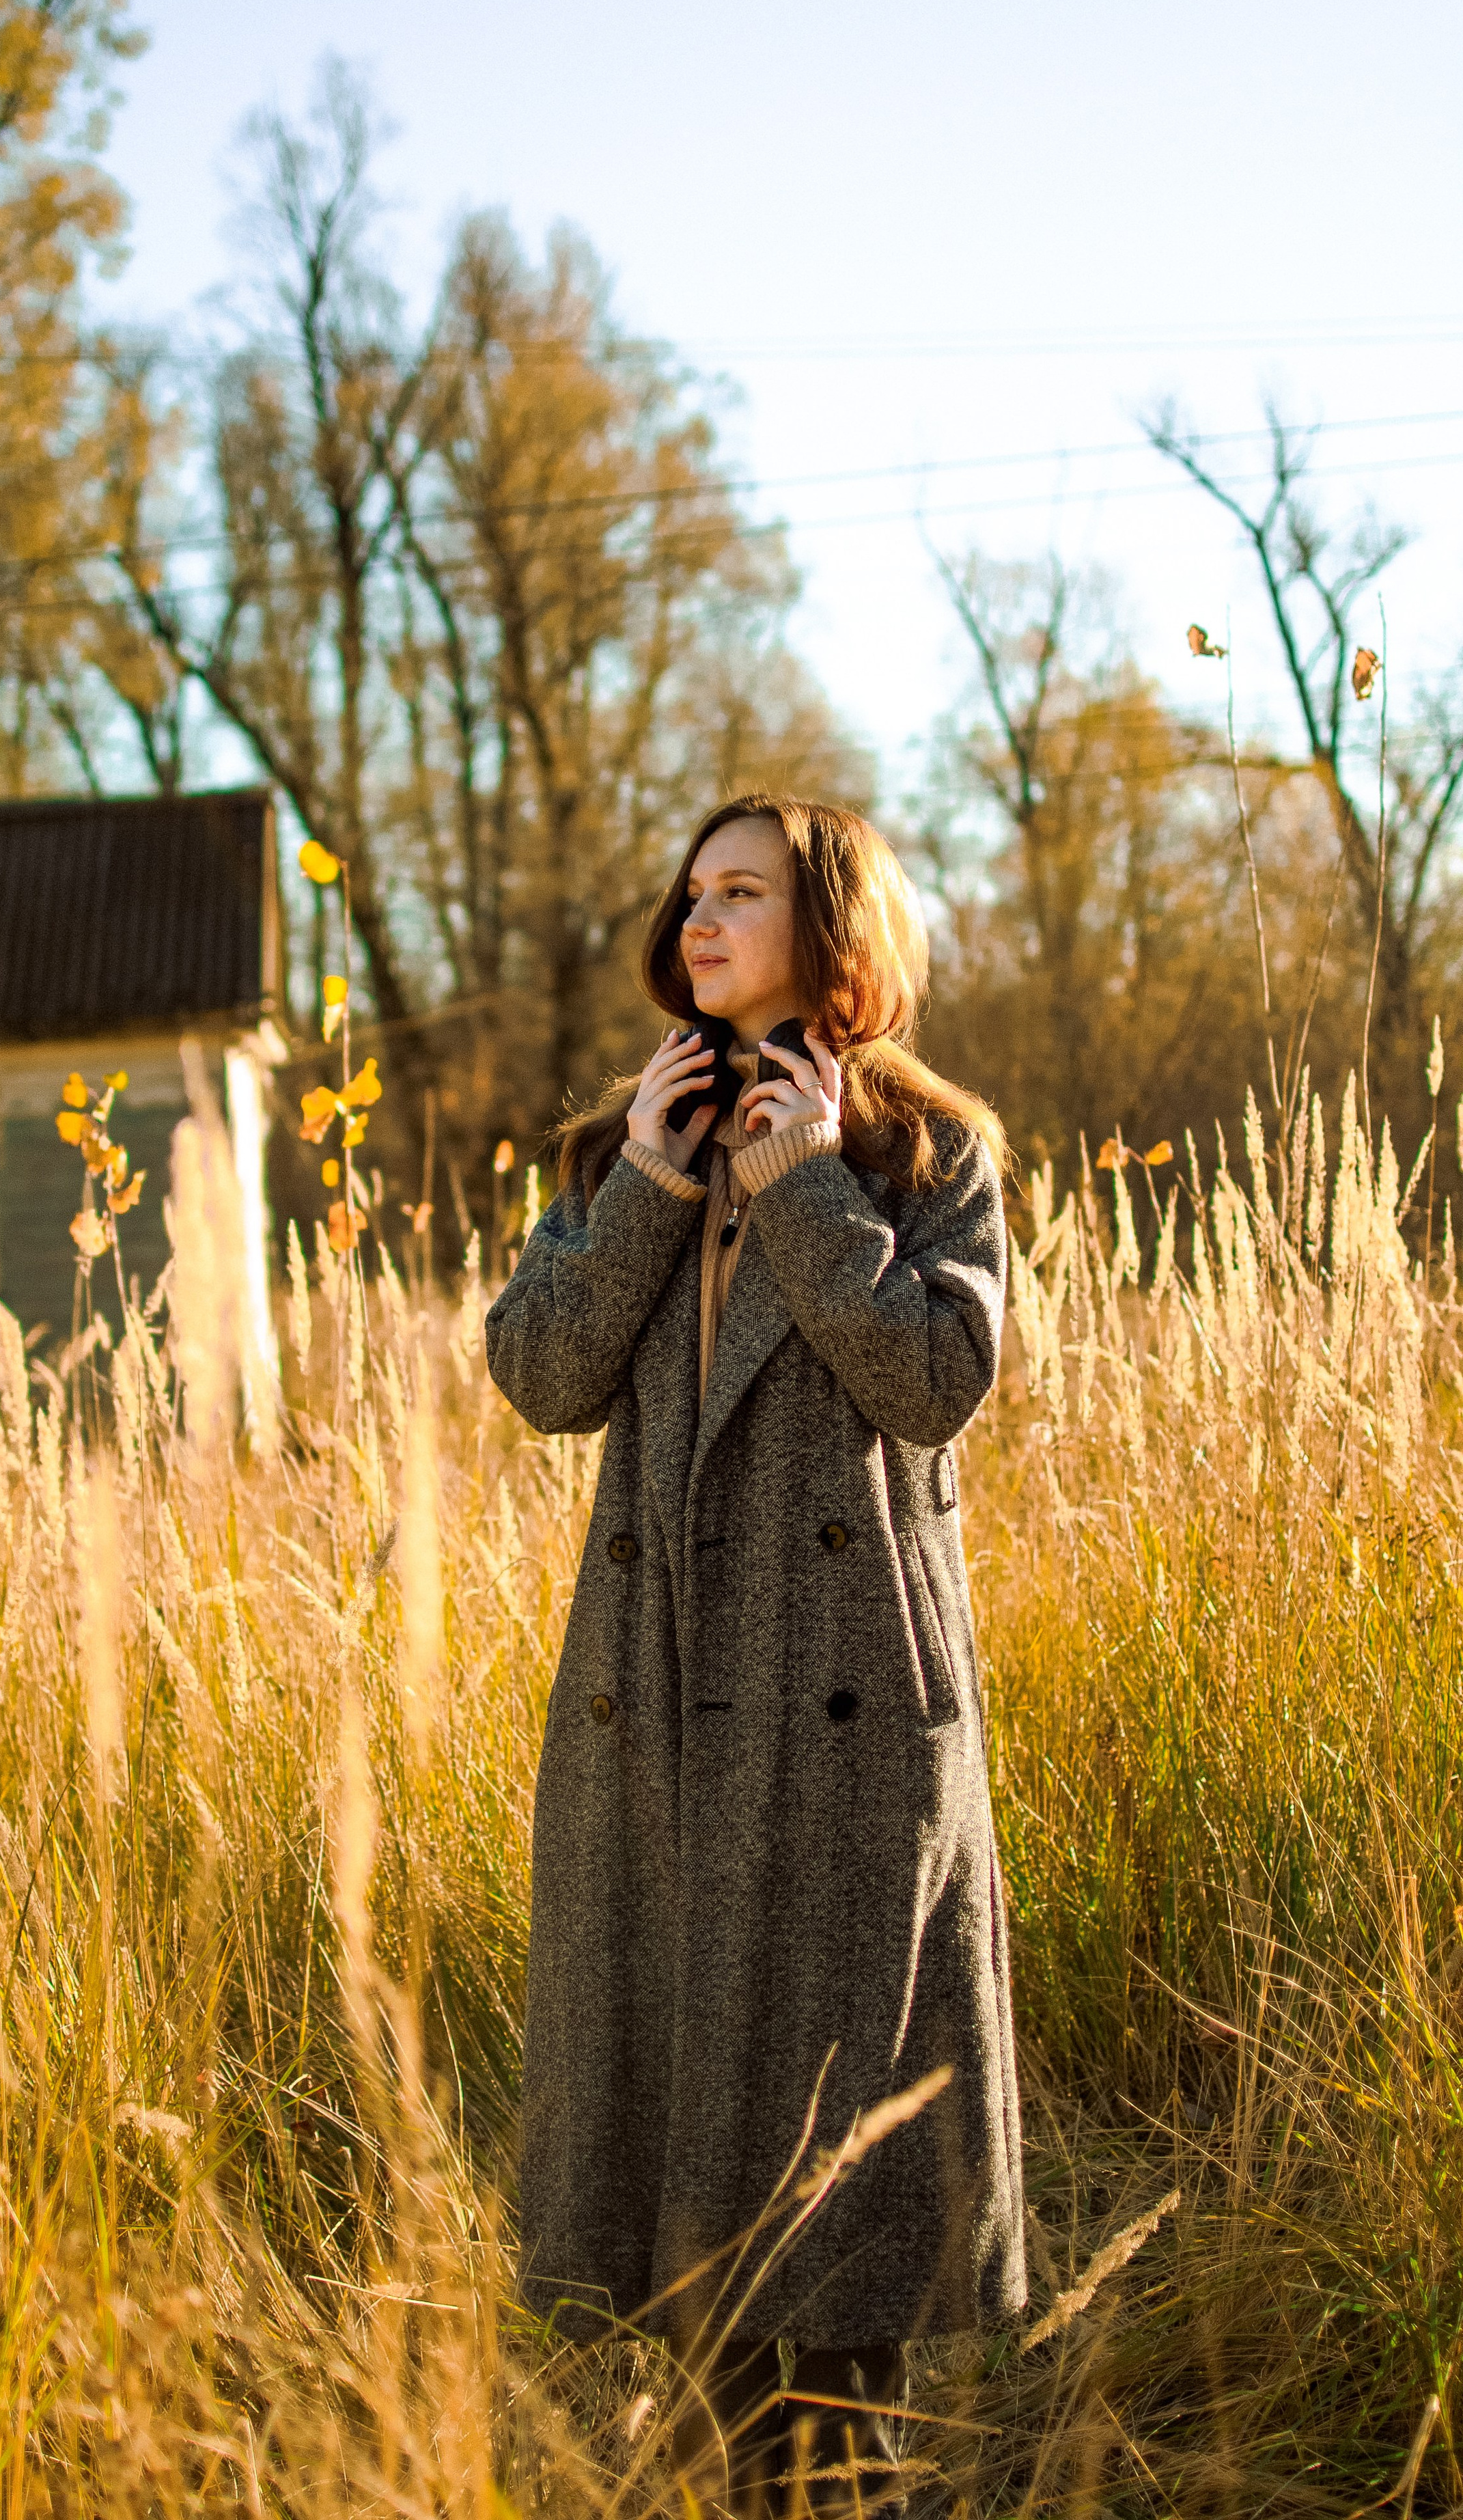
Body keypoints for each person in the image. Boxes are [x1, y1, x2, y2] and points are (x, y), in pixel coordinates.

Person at [485, 794, 1025, 2504]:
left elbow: (932, 1383)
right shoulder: (618, 1140)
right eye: (692, 892)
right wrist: (649, 1177)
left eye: (745, 891)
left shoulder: (928, 1148)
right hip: (652, 1704)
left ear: (830, 921)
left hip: (847, 1724)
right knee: (698, 2232)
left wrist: (801, 1180)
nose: (700, 919)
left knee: (840, 2244)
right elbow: (541, 1377)